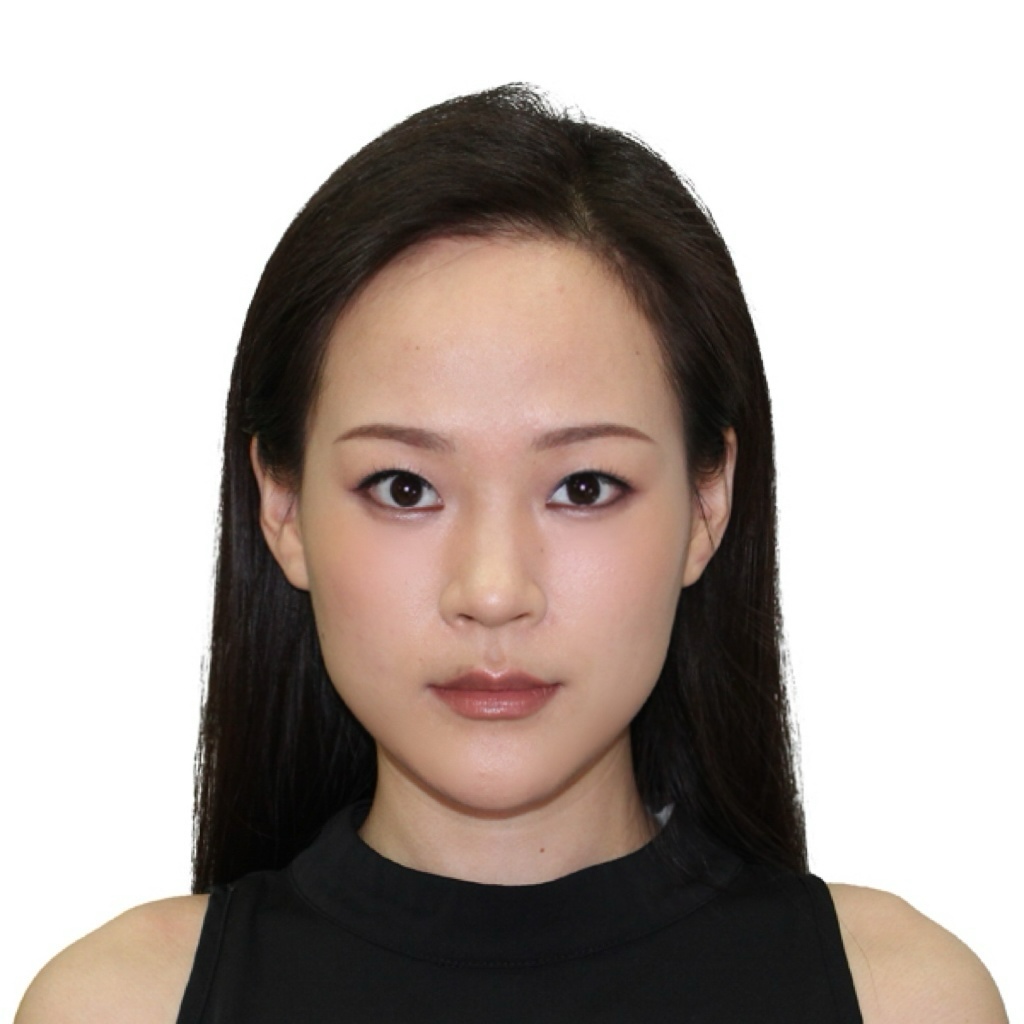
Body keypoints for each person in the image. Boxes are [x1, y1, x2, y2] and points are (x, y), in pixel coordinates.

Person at [17, 85, 1006, 1023]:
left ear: (708, 506)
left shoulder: (899, 1000)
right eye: (404, 488)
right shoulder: (119, 1005)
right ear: (283, 509)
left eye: (585, 487)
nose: (492, 591)